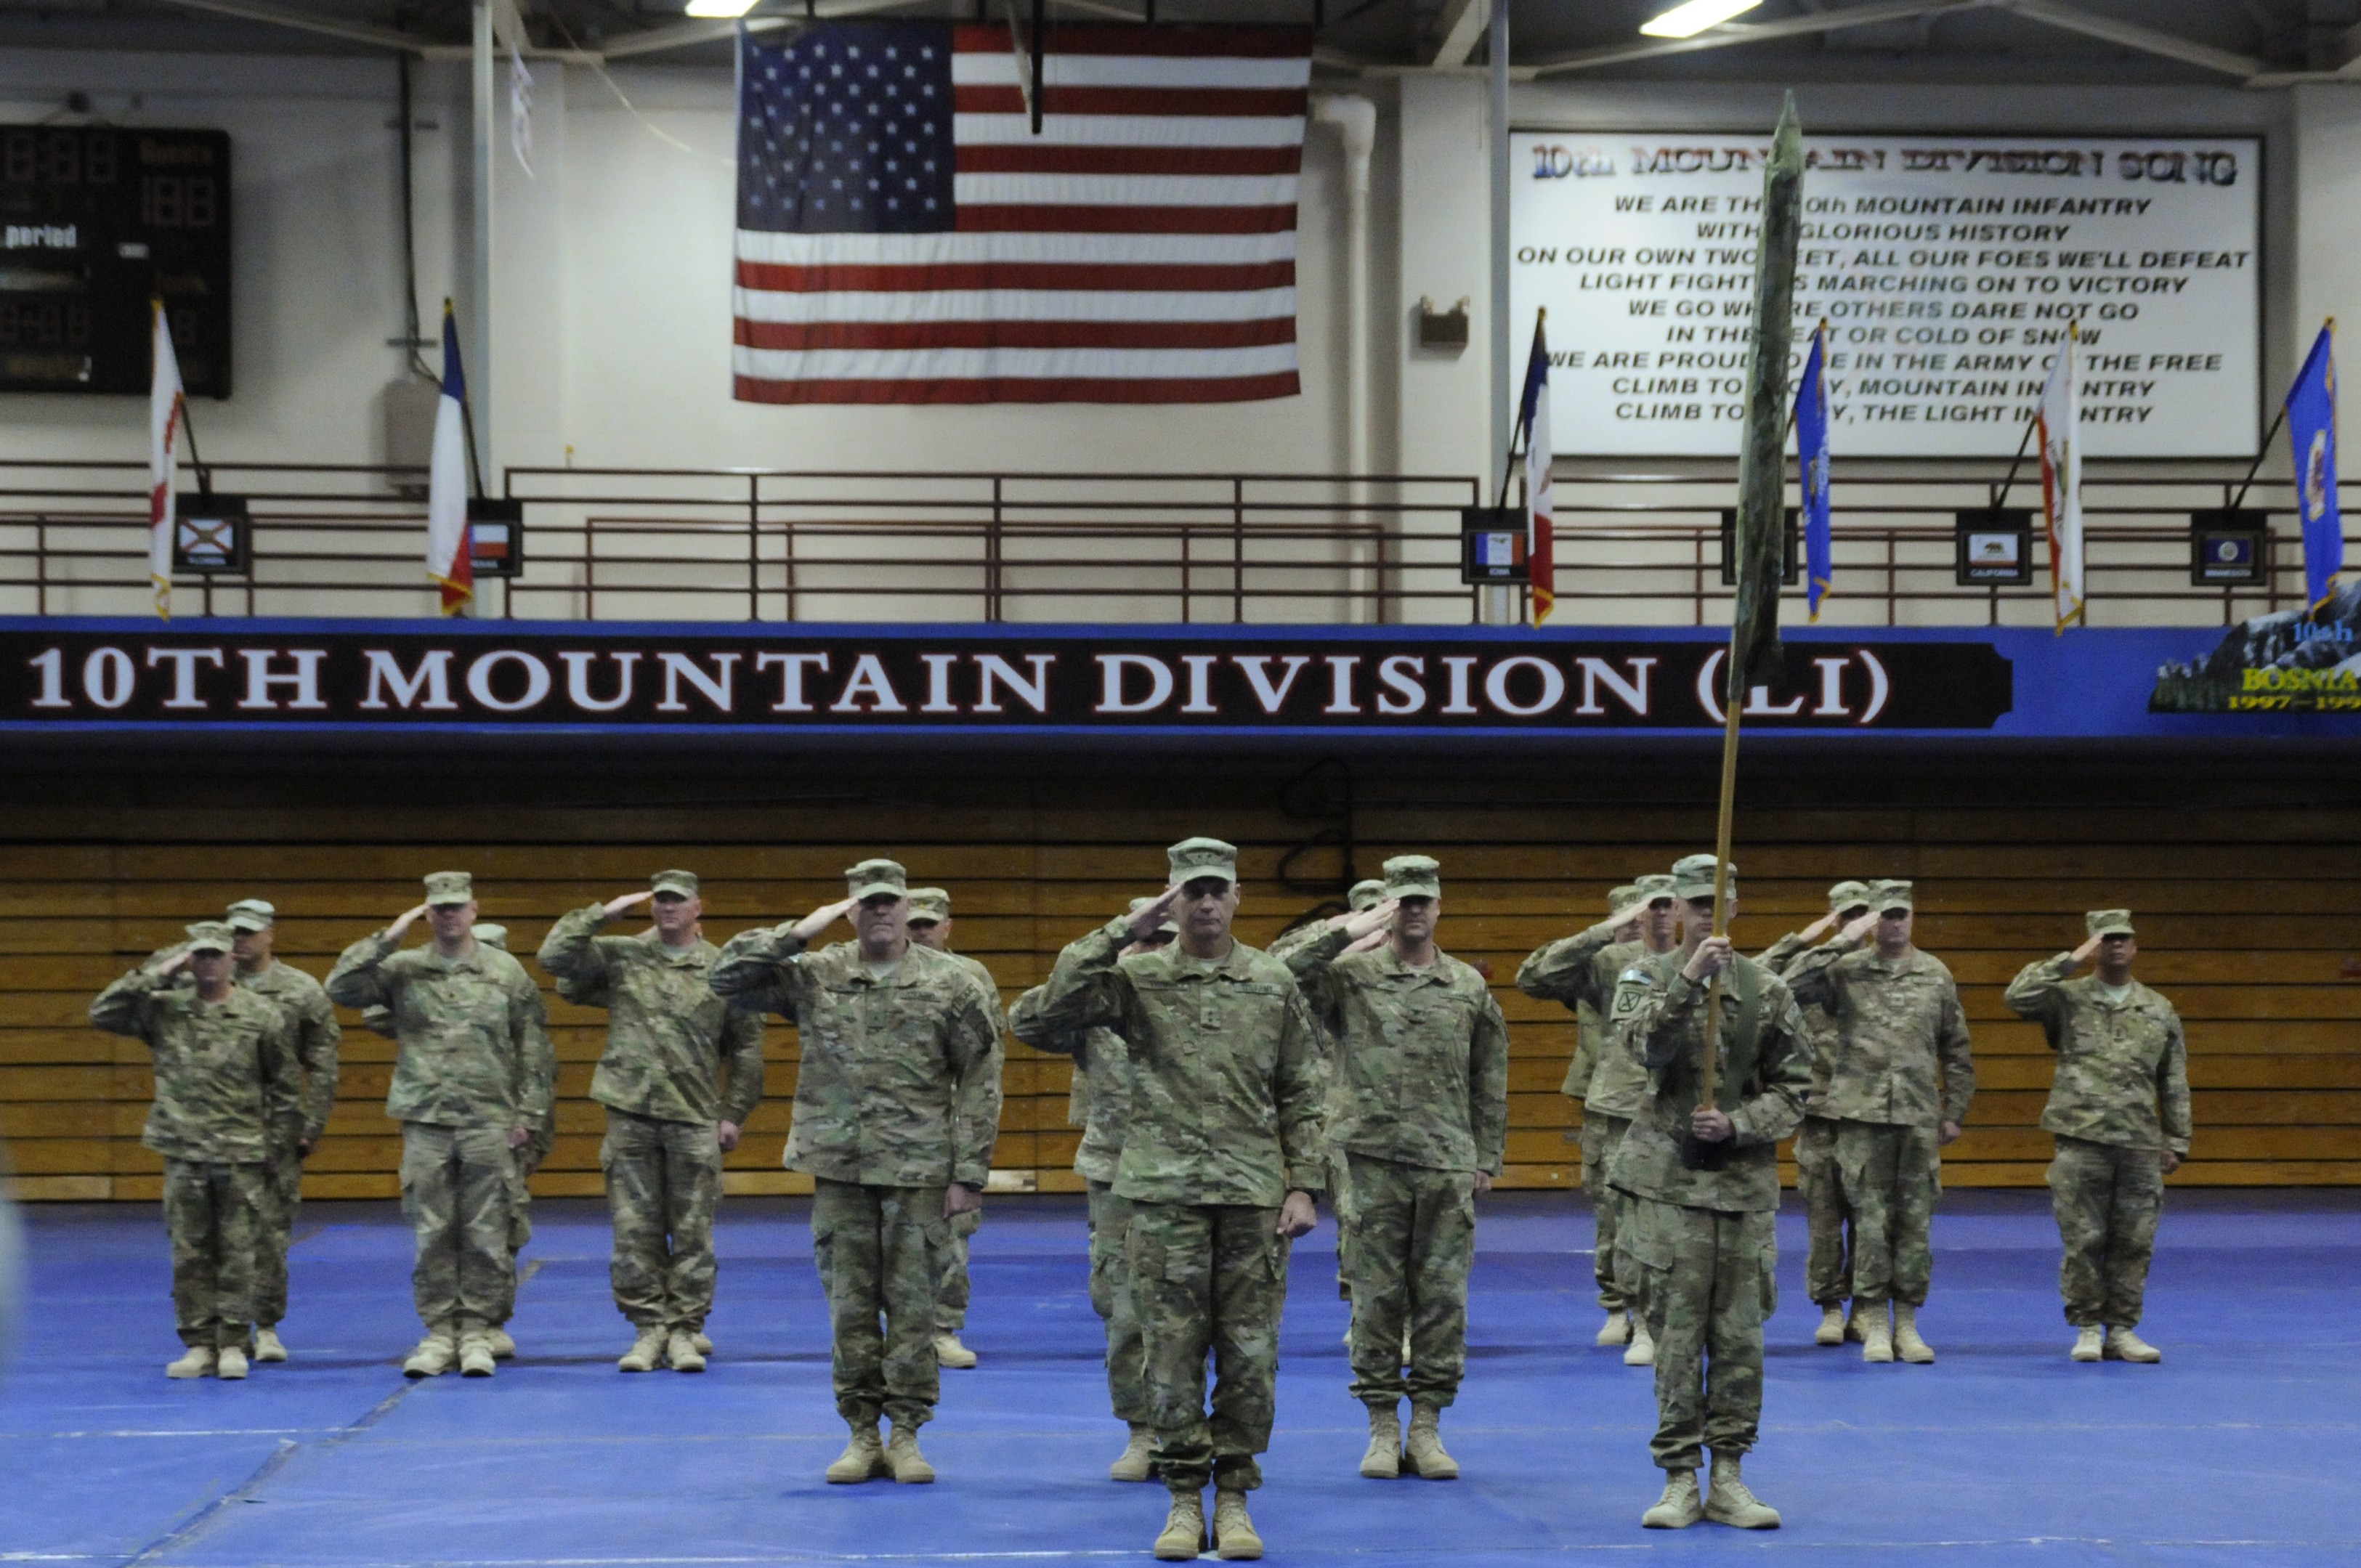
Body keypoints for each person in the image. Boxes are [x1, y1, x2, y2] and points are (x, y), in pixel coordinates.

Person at [1032, 837, 1327, 1562]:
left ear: (1235, 898)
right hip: (1160, 1195)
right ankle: (1182, 1494)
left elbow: (1302, 1086)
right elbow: (1041, 1016)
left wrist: (1303, 1182)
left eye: (1214, 889)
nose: (1203, 902)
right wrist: (1121, 932)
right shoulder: (1136, 980)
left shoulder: (1269, 979)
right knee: (1169, 1352)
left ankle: (1233, 1494)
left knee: (1250, 1353)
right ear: (1171, 898)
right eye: (1188, 890)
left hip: (1252, 1196)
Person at [709, 859, 1003, 1486]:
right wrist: (796, 933)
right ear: (851, 907)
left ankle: (907, 1434)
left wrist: (969, 1171)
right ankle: (861, 1433)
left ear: (905, 906)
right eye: (866, 902)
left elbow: (980, 1078)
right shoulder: (817, 974)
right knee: (849, 1309)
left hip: (919, 1170)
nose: (880, 912)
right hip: (840, 1169)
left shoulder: (952, 983)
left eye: (889, 902)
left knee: (915, 1308)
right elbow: (726, 979)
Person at [1281, 855, 1507, 1482]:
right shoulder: (1348, 978)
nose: (1412, 911)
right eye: (1401, 900)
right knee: (1376, 1299)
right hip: (1370, 1161)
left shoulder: (1466, 985)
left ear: (1438, 907)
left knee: (1440, 1301)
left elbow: (1489, 1074)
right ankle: (1382, 1427)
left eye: (1421, 900)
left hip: (1443, 1162)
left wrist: (1486, 1155)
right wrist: (1347, 927)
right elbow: (1279, 968)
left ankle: (1428, 1427)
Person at [1606, 855, 1810, 1532]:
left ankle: (1729, 1473)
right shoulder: (1643, 975)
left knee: (1740, 1340)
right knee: (1673, 1335)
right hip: (1667, 1188)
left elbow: (1798, 1088)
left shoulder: (1769, 990)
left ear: (1733, 906)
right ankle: (1678, 1477)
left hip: (1743, 1190)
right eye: (1692, 902)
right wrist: (1690, 982)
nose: (1702, 914)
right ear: (1675, 909)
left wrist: (1741, 1123)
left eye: (1715, 901)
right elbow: (1641, 1047)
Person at [325, 873, 554, 1379]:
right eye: (438, 908)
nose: (449, 916)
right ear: (427, 914)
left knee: (486, 1232)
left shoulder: (505, 970)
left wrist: (529, 1117)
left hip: (488, 1119)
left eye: (457, 907)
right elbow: (340, 987)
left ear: (474, 909)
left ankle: (476, 1330)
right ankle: (438, 1332)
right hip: (427, 1119)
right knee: (432, 1231)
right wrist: (388, 935)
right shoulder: (403, 969)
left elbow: (532, 1049)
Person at [538, 870, 766, 1374]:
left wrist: (734, 1114)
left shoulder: (722, 968)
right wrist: (603, 913)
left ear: (697, 907)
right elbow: (554, 958)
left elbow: (747, 1050)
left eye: (677, 901)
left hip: (693, 1116)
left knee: (692, 1232)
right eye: (660, 900)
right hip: (631, 1114)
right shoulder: (623, 956)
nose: (667, 908)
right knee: (633, 1230)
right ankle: (648, 1329)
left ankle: (685, 1329)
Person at [1007, 895, 1175, 1482]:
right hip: (1117, 1174)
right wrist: (1108, 945)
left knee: (1195, 1314)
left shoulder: (1203, 1000)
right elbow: (1029, 1019)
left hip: (1191, 1176)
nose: (1153, 951)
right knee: (1125, 1310)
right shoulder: (1096, 1006)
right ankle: (1141, 1430)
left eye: (1164, 940)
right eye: (1144, 940)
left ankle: (1189, 1430)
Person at [1782, 880, 1974, 1364]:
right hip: (1860, 1116)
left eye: (1901, 913)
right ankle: (1873, 1321)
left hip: (1916, 1116)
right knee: (1869, 1221)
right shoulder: (1844, 970)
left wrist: (1955, 1111)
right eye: (1885, 914)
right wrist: (1842, 937)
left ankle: (1907, 1322)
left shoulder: (1935, 974)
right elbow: (1787, 983)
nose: (1894, 923)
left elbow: (1956, 1048)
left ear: (1913, 916)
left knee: (1915, 1222)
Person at [91, 922, 292, 1380]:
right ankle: (200, 1342)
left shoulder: (260, 1014)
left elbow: (282, 1086)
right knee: (190, 1251)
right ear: (189, 959)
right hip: (184, 1149)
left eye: (215, 955)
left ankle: (236, 1341)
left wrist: (277, 1146)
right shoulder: (165, 1010)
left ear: (231, 959)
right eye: (198, 955)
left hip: (240, 1150)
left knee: (239, 1250)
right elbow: (104, 1012)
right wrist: (161, 971)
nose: (207, 964)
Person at [2004, 910, 2191, 1364]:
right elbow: (2017, 996)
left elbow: (2174, 1078)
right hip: (2080, 1137)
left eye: (2124, 939)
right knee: (2084, 1238)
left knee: (2134, 1239)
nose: (2116, 947)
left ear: (2136, 945)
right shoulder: (2066, 999)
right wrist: (2070, 960)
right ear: (2093, 946)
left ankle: (2123, 1329)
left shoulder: (2157, 1007)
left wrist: (2178, 1138)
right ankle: (2088, 1327)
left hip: (2140, 1142)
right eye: (2106, 940)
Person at [1517, 871, 1678, 1364]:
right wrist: (1606, 930)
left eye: (1667, 903)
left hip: (1677, 1105)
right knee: (1613, 1214)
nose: (1658, 913)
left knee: (1669, 1218)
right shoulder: (1611, 961)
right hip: (1616, 1103)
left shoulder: (1702, 958)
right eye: (1649, 905)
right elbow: (1534, 977)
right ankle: (1619, 1305)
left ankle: (1658, 1317)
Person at [222, 899, 340, 1364]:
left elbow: (324, 1061)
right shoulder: (209, 983)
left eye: (250, 932)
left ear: (271, 934)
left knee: (271, 1233)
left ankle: (266, 1325)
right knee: (217, 1233)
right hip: (219, 1128)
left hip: (277, 1130)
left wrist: (314, 1125)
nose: (240, 940)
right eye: (234, 932)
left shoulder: (300, 990)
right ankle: (222, 1329)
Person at [1755, 880, 1872, 1346]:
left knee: (1871, 1219)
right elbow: (1763, 978)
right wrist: (1807, 939)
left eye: (1864, 913)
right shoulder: (1813, 972)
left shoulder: (1890, 970)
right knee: (1823, 1221)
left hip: (1872, 1115)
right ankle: (1829, 1307)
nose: (1857, 923)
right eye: (1847, 915)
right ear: (1834, 918)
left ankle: (1865, 1307)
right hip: (1822, 1113)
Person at [904, 885, 1006, 1371]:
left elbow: (985, 1068)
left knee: (950, 1239)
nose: (920, 932)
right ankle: (900, 1331)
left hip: (949, 1130)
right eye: (913, 923)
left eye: (929, 923)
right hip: (895, 1130)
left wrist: (973, 1157)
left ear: (947, 926)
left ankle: (942, 1328)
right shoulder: (881, 976)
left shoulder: (971, 977)